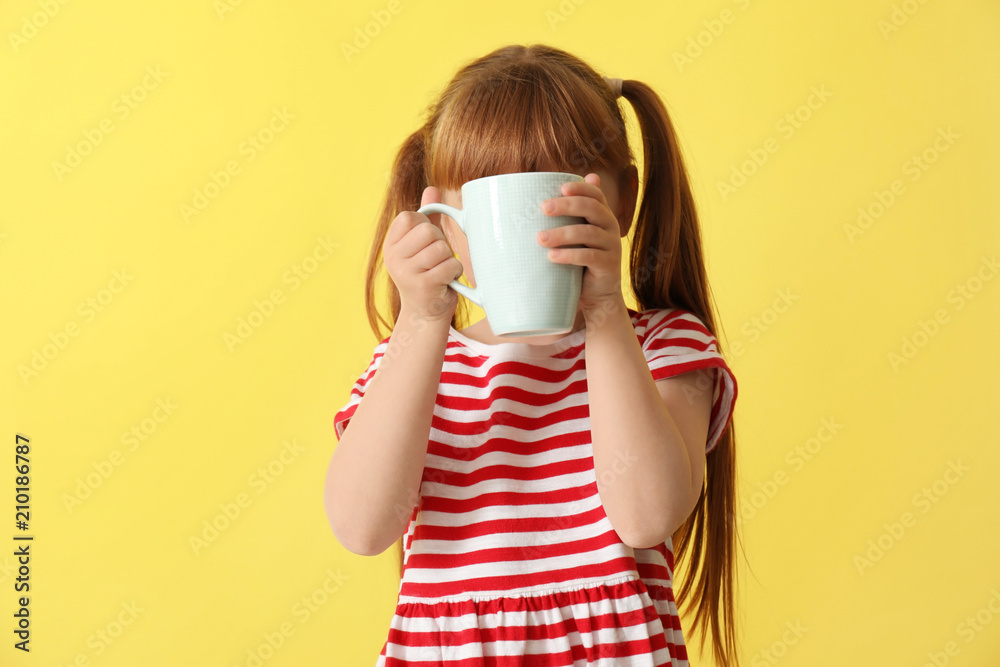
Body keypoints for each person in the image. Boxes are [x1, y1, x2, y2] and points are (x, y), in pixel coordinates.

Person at [324, 43, 742, 667]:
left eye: (556, 199)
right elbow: (361, 528)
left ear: (620, 200)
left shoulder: (662, 346)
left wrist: (603, 311)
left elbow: (646, 515)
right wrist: (423, 319)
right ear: (445, 217)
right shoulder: (410, 363)